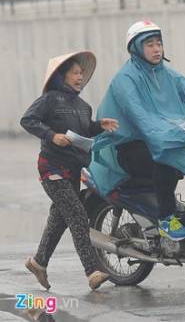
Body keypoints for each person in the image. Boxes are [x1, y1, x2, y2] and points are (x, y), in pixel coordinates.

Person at [90, 20, 185, 261]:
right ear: (135, 48)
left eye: (159, 44)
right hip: (131, 146)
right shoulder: (125, 81)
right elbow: (142, 118)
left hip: (163, 134)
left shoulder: (167, 75)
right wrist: (178, 135)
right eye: (149, 44)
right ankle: (166, 218)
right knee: (165, 157)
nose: (156, 49)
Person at [20, 51, 119, 291]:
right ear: (61, 76)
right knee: (76, 213)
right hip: (51, 167)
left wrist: (98, 126)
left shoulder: (84, 106)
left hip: (74, 170)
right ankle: (92, 270)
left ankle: (38, 262)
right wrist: (52, 136)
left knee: (59, 219)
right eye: (75, 73)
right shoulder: (50, 99)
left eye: (81, 73)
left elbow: (83, 132)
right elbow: (28, 120)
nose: (80, 77)